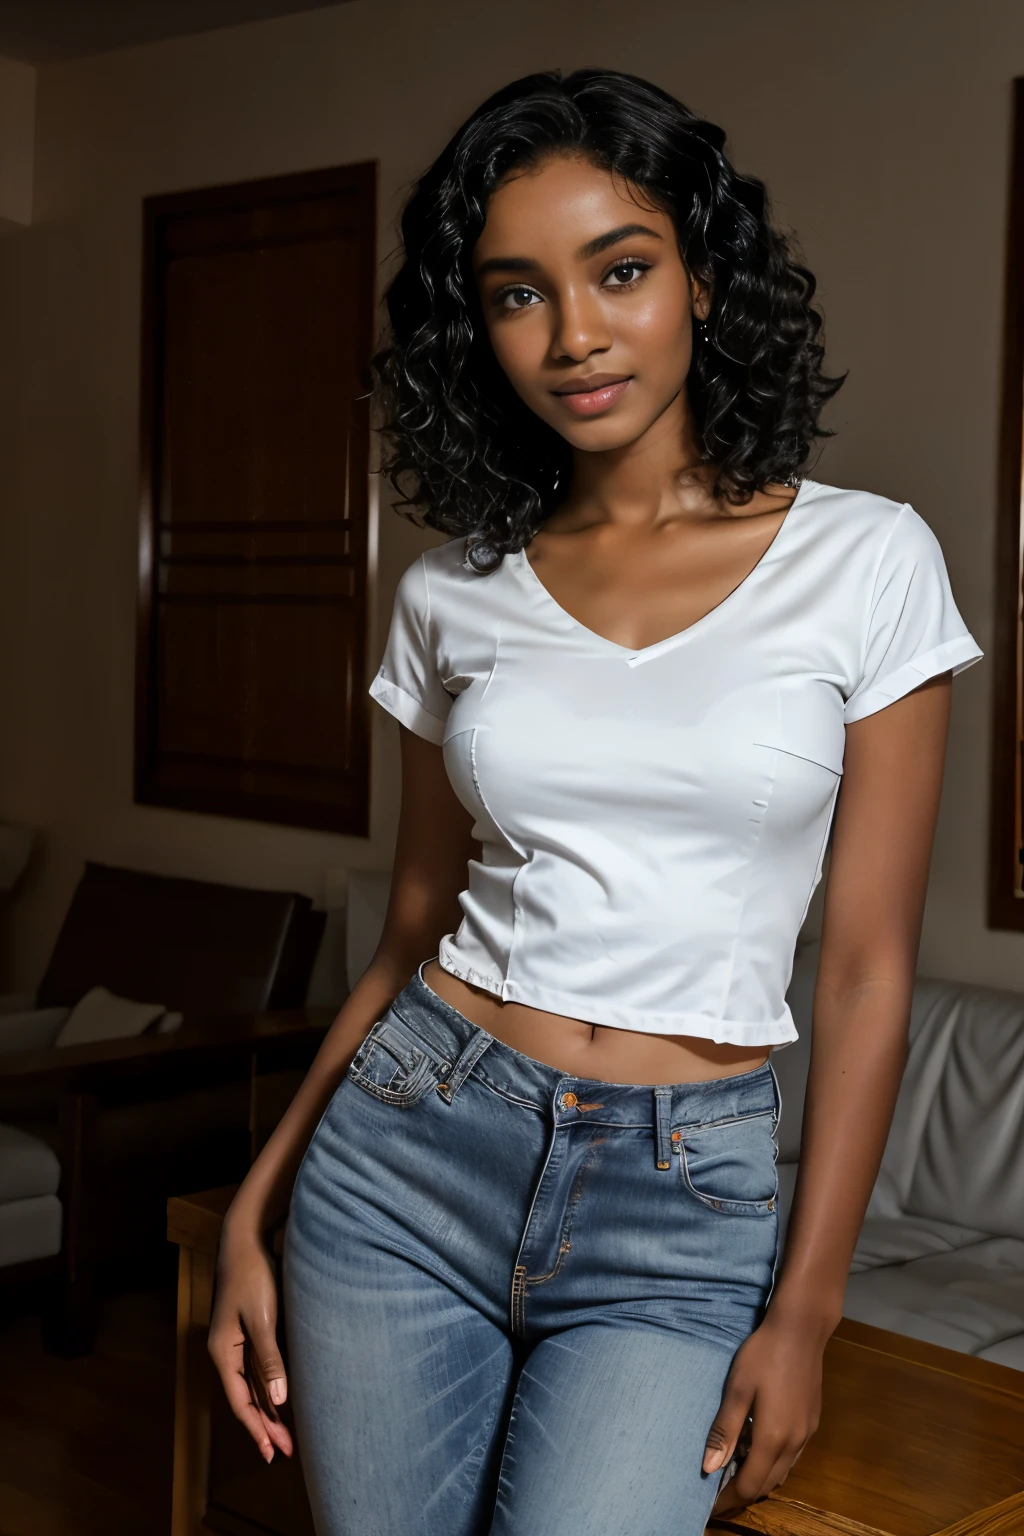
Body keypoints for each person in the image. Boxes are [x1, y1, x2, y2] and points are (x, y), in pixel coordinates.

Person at [207, 69, 984, 1536]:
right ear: (474, 331)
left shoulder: (870, 562)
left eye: (619, 270)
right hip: (408, 1153)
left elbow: (874, 968)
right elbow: (413, 931)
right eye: (516, 294)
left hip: (682, 1202)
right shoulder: (451, 592)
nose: (573, 336)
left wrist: (805, 1310)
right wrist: (262, 1195)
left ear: (701, 274)